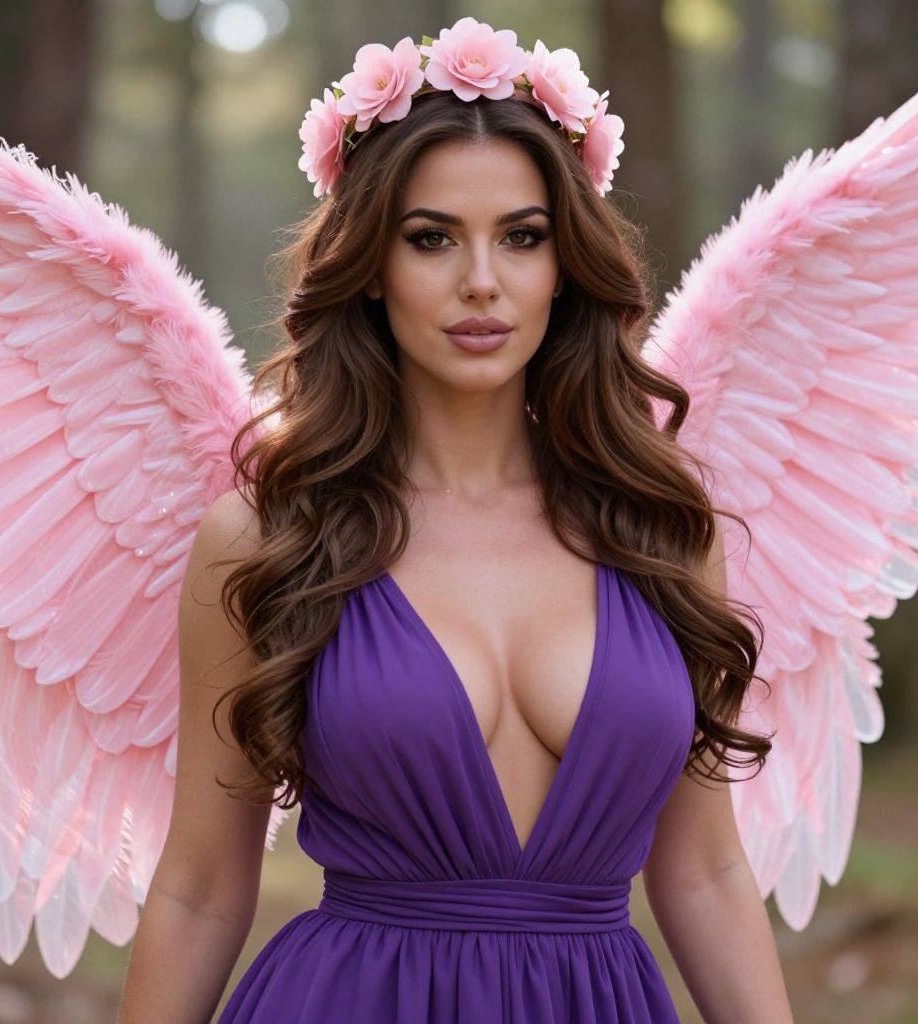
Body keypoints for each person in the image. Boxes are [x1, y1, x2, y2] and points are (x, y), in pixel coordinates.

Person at [117, 18, 794, 1023]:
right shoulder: (268, 537)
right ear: (370, 264)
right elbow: (201, 887)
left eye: (522, 237)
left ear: (565, 264)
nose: (482, 280)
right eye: (431, 238)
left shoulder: (660, 528)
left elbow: (704, 872)